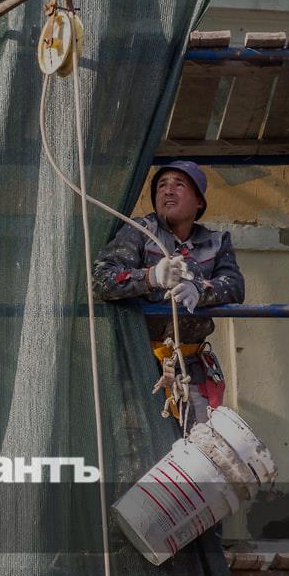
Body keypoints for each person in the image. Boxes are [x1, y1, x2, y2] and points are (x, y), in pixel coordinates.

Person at [92, 160, 244, 428]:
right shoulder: (140, 231)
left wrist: (201, 290)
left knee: (197, 441)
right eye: (162, 185)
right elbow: (101, 279)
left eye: (179, 185)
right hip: (138, 364)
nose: (168, 190)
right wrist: (149, 277)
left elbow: (234, 285)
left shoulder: (216, 242)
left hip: (191, 366)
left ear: (199, 201)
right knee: (138, 439)